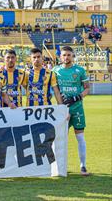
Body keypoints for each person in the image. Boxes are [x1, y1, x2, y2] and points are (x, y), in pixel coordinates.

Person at [53, 46, 90, 176]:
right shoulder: (55, 70)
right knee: (62, 138)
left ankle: (83, 166)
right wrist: (61, 103)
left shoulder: (79, 70)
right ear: (60, 56)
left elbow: (87, 88)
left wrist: (77, 97)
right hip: (63, 109)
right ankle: (61, 167)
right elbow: (54, 88)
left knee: (80, 137)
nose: (66, 57)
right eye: (64, 55)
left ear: (73, 56)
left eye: (69, 55)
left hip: (77, 108)